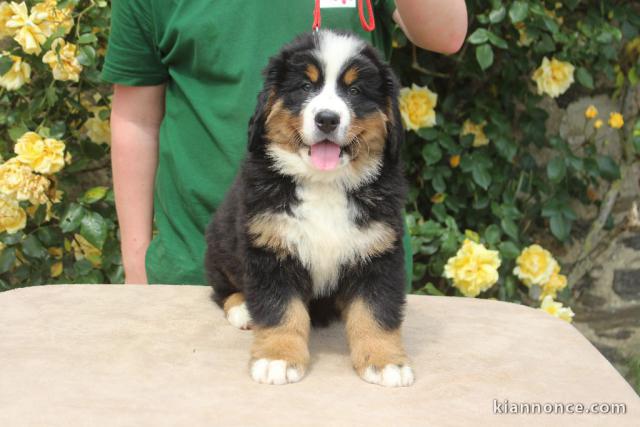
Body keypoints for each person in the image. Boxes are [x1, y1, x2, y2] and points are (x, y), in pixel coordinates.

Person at [103, 0, 468, 285]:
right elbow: (136, 121)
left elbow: (446, 34)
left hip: (356, 281)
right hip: (202, 279)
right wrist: (136, 266)